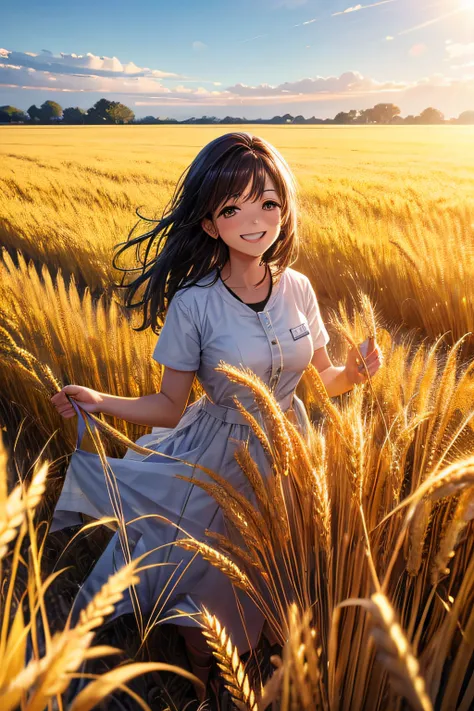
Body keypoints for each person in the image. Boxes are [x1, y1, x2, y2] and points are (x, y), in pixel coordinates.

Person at [49, 132, 382, 693]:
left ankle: (267, 653)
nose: (255, 220)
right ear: (210, 224)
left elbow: (323, 380)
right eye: (233, 208)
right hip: (218, 455)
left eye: (269, 203)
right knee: (207, 571)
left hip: (290, 447)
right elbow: (167, 405)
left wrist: (355, 373)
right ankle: (202, 675)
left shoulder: (299, 289)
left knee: (278, 560)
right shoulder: (194, 303)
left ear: (285, 209)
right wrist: (99, 401)